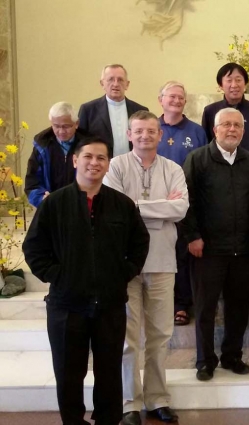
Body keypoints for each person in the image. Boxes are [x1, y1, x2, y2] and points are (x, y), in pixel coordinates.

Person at [22, 137, 150, 425]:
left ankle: (107, 421)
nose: (95, 163)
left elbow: (140, 244)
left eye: (101, 158)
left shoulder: (122, 204)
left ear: (108, 164)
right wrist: (59, 276)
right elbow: (34, 248)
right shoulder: (54, 203)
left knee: (109, 372)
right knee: (69, 373)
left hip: (110, 304)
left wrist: (122, 273)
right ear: (75, 160)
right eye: (89, 156)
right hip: (66, 305)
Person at [103, 111, 188, 425]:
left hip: (163, 261)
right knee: (128, 338)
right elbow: (114, 208)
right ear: (129, 134)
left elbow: (180, 209)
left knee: (160, 335)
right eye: (139, 131)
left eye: (151, 131)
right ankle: (130, 403)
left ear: (160, 134)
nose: (145, 137)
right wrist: (158, 207)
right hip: (125, 265)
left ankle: (157, 399)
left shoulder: (173, 168)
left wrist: (136, 206)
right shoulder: (116, 166)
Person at [182, 107, 249, 381]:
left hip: (242, 249)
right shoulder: (198, 159)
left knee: (238, 307)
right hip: (207, 249)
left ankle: (232, 356)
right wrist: (192, 236)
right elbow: (185, 201)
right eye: (225, 125)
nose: (231, 130)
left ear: (243, 131)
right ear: (215, 130)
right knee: (205, 307)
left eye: (237, 125)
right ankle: (205, 360)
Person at [155, 80, 208, 327]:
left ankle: (183, 304)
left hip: (186, 203)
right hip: (155, 204)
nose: (176, 101)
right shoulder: (151, 128)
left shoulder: (196, 131)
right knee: (160, 254)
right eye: (171, 97)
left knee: (184, 255)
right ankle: (160, 303)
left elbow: (203, 167)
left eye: (180, 98)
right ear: (161, 100)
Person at [25, 102, 90, 207]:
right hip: (51, 207)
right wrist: (41, 198)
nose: (61, 131)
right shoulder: (42, 146)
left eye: (66, 126)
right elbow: (32, 182)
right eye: (56, 126)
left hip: (82, 207)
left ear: (76, 124)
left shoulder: (89, 145)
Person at [200, 63, 249, 162]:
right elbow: (206, 144)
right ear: (221, 85)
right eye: (229, 80)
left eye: (238, 80)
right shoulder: (210, 111)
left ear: (245, 84)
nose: (234, 85)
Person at [78, 64, 148, 156]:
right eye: (110, 79)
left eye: (120, 80)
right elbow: (81, 144)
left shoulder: (140, 111)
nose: (115, 84)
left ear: (127, 84)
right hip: (101, 166)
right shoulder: (88, 110)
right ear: (102, 84)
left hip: (133, 165)